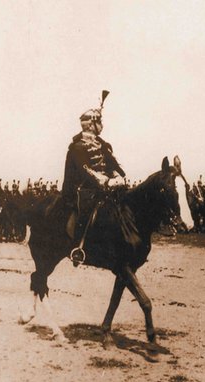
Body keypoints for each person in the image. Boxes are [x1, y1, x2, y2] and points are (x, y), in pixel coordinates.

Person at [61, 90, 127, 265]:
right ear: (90, 125)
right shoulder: (77, 147)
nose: (101, 125)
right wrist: (104, 180)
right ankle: (79, 248)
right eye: (99, 122)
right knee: (87, 210)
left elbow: (113, 165)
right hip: (86, 189)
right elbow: (85, 170)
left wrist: (118, 176)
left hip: (107, 187)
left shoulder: (103, 144)